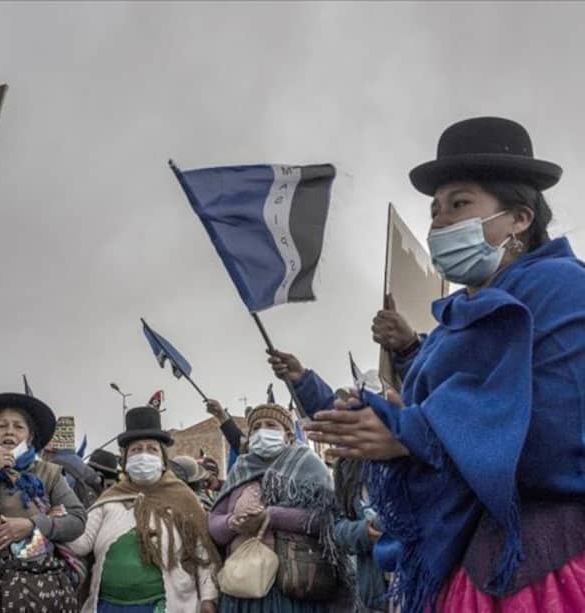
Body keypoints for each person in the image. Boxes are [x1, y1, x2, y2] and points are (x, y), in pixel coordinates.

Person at [299, 117, 585, 612]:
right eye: (434, 210)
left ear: (519, 218)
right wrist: (388, 414)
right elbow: (451, 408)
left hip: (544, 567)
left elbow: (556, 435)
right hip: (467, 563)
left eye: (460, 204)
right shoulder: (452, 324)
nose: (438, 223)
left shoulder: (563, 289)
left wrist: (411, 432)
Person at [67, 406, 220, 613]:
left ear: (163, 459)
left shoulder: (184, 500)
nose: (144, 455)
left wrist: (209, 598)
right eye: (136, 450)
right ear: (125, 458)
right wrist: (61, 518)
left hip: (165, 605)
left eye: (152, 449)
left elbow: (203, 553)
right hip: (107, 606)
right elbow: (80, 544)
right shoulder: (110, 500)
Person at [0, 393, 87, 613]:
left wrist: (34, 525)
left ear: (30, 437)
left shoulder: (47, 473)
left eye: (18, 427)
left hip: (29, 596)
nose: (9, 431)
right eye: (1, 426)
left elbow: (77, 520)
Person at [209, 402, 350, 613]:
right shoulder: (240, 468)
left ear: (289, 435)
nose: (261, 431)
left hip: (296, 589)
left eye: (270, 425)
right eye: (256, 427)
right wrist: (233, 523)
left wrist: (271, 517)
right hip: (244, 591)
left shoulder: (310, 466)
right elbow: (214, 523)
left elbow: (327, 521)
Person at [331, 459, 387, 613]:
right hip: (374, 593)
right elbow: (338, 528)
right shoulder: (347, 467)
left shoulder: (410, 453)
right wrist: (365, 532)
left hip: (414, 587)